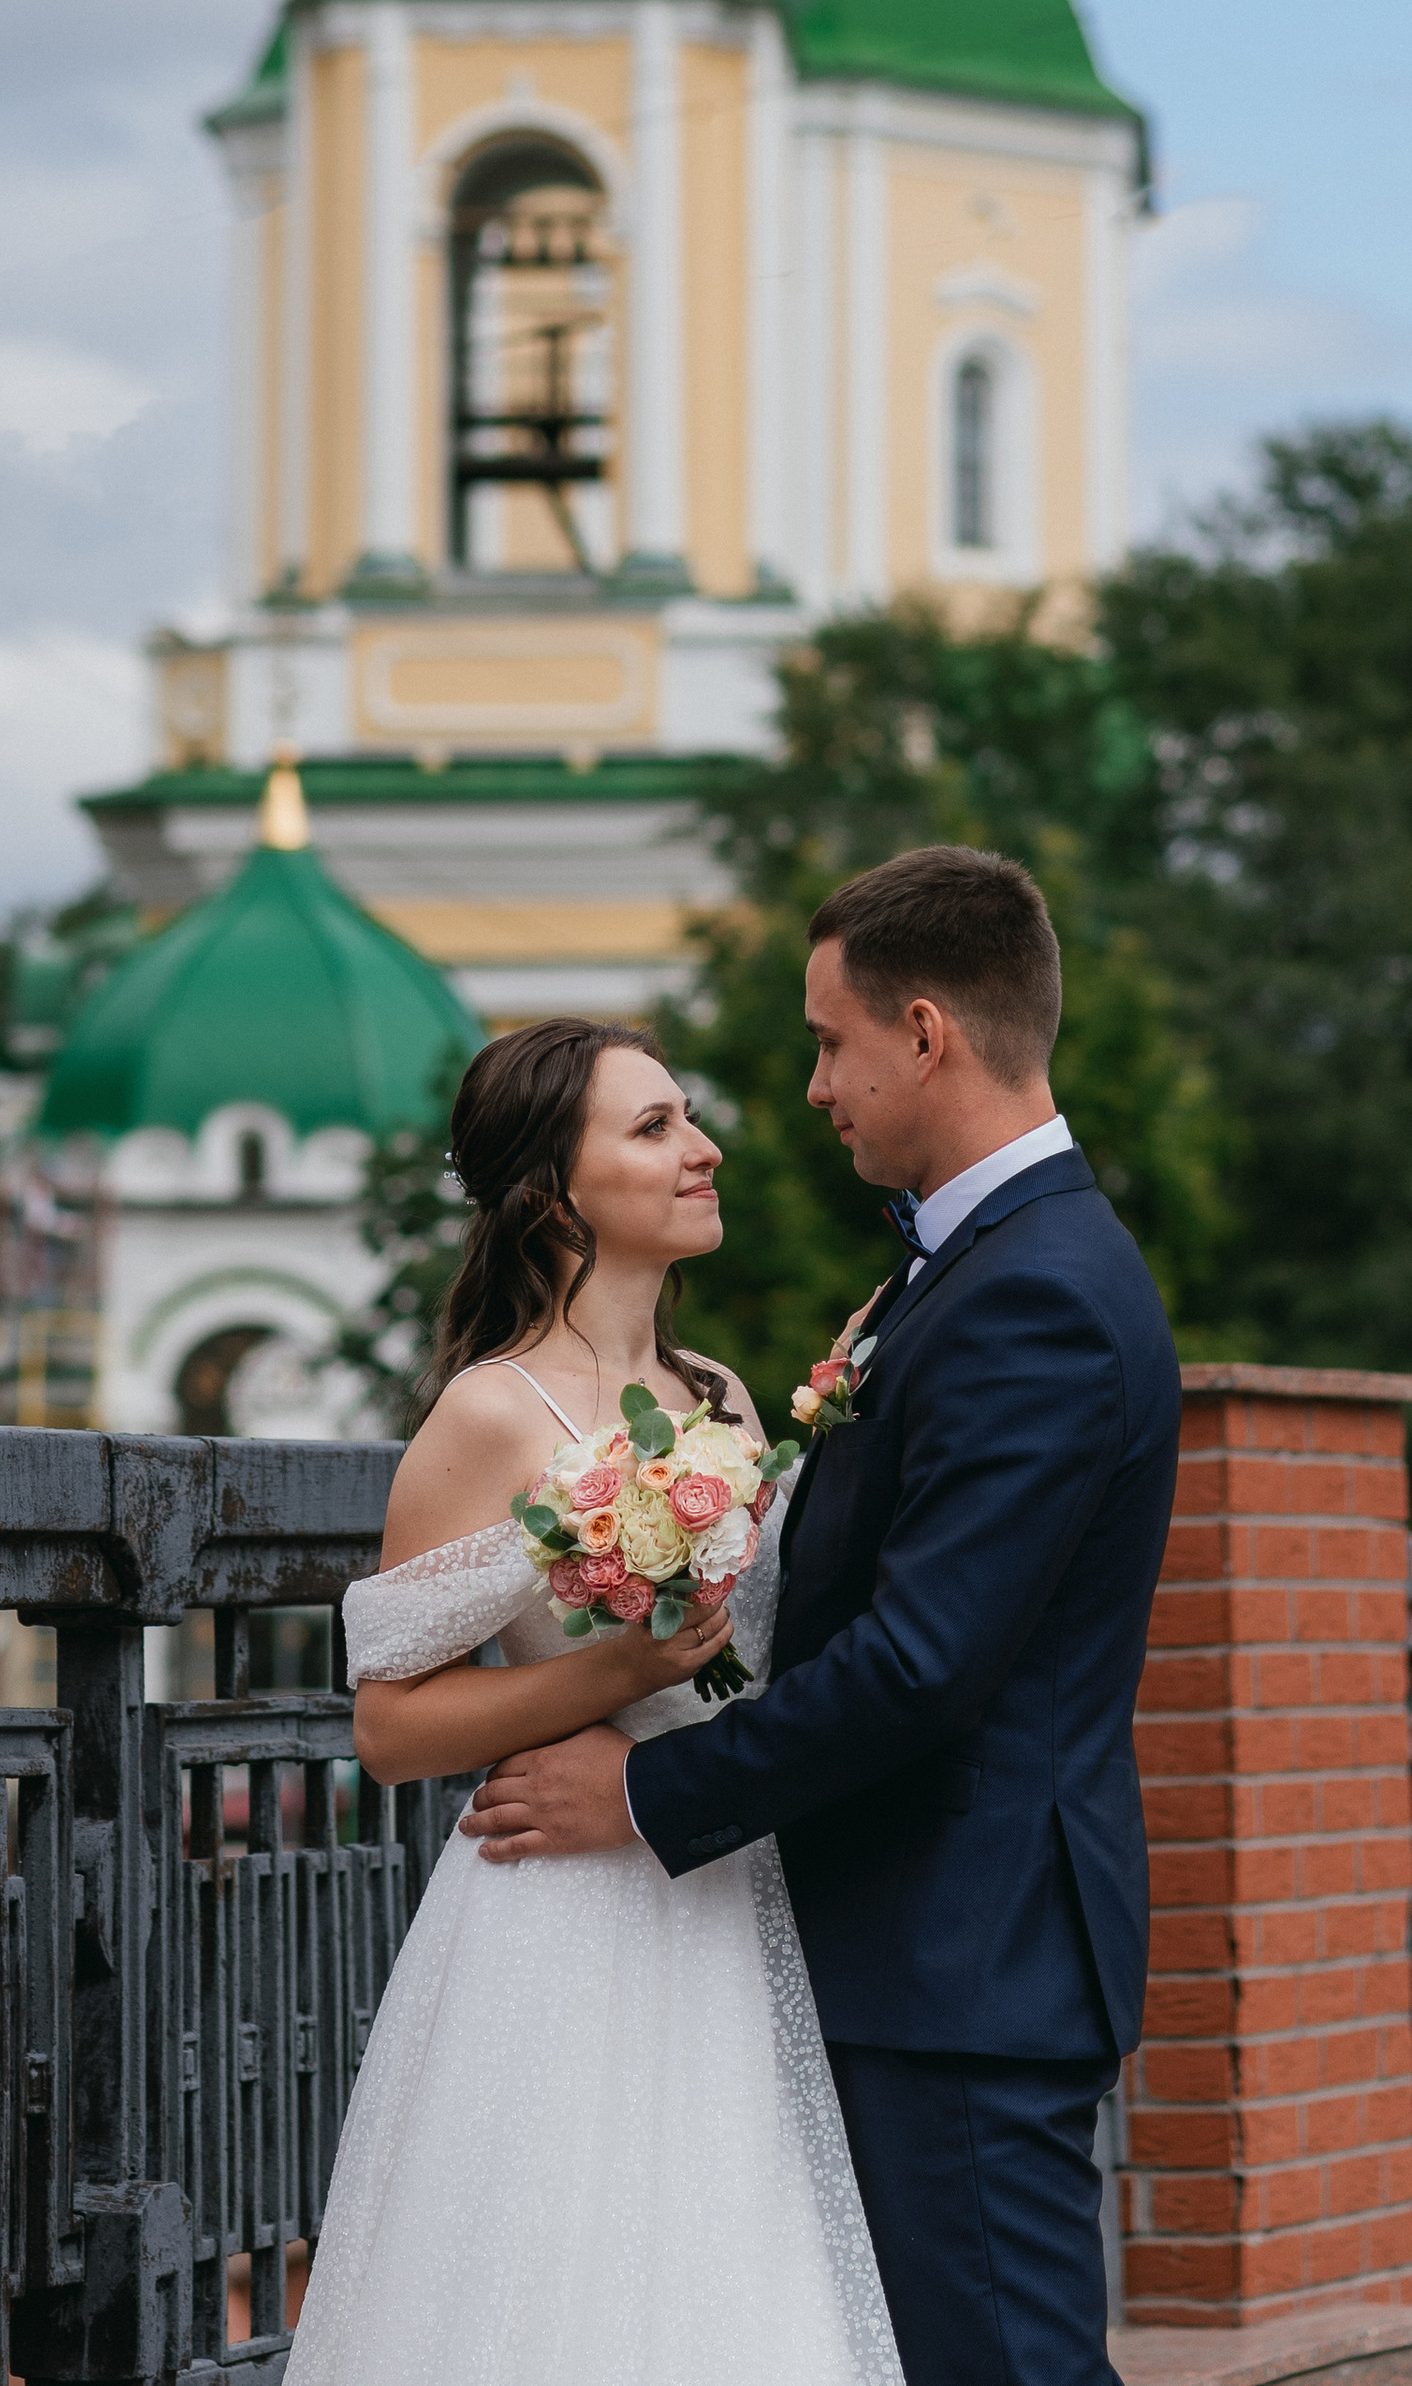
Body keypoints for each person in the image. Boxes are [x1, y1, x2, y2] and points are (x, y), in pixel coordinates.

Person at [462, 845, 1183, 2386]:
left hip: (959, 1955)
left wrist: (645, 1788)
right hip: (907, 1941)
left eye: (828, 1040)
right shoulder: (964, 1271)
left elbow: (924, 1663)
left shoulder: (1033, 1292)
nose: (808, 1087)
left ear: (925, 1031)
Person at [282, 1013, 903, 2386]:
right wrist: (611, 1672)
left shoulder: (723, 1397)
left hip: (722, 1887)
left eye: (687, 1115)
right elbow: (388, 1728)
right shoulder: (491, 1416)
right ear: (553, 1195)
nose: (704, 1146)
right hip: (559, 1908)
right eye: (656, 1126)